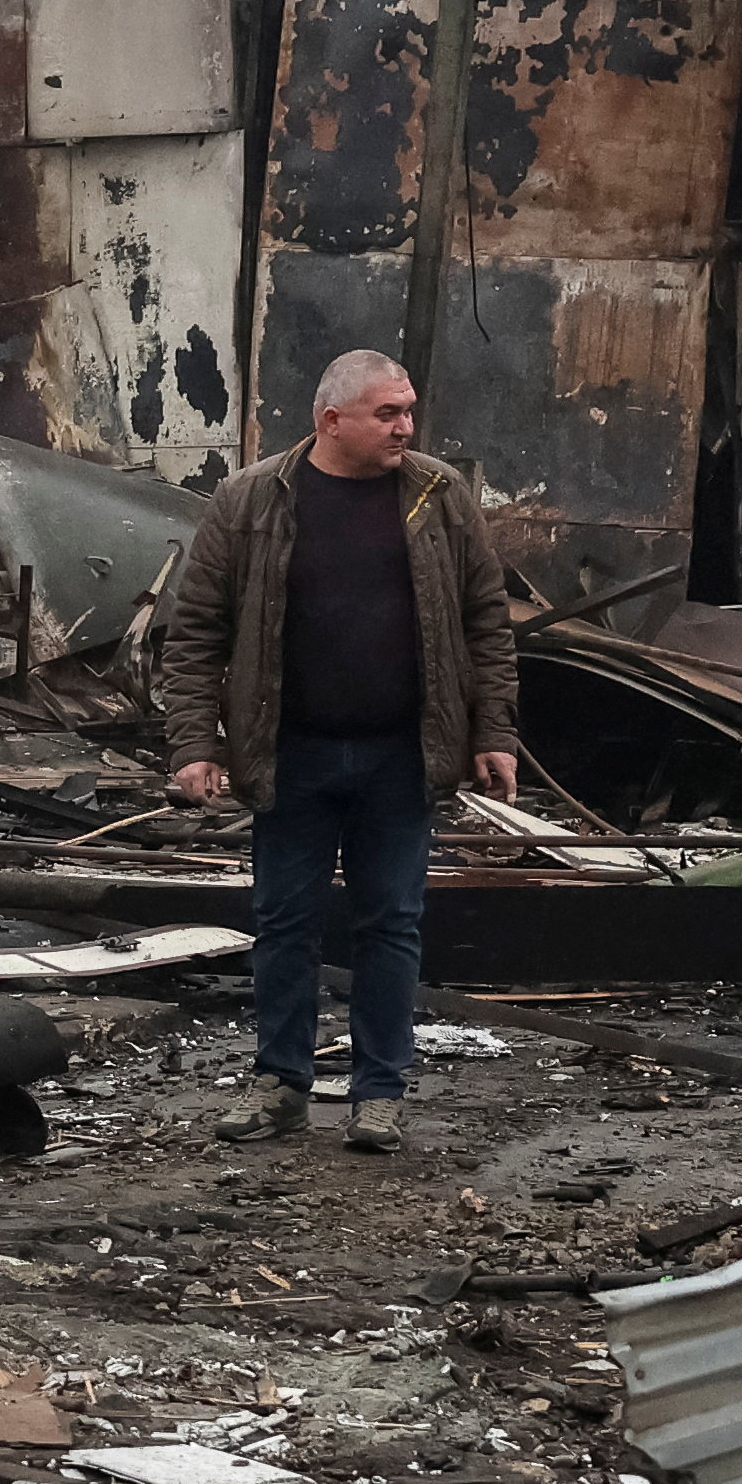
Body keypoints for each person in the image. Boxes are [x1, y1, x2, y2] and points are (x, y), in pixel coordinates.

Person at [148, 350, 519, 1154]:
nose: (406, 428)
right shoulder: (249, 500)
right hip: (292, 756)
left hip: (401, 755)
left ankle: (377, 1094)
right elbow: (196, 633)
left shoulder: (437, 496)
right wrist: (194, 744)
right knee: (285, 924)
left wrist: (494, 732)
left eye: (409, 411)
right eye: (388, 414)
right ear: (331, 421)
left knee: (393, 924)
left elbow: (485, 621)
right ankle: (279, 1085)